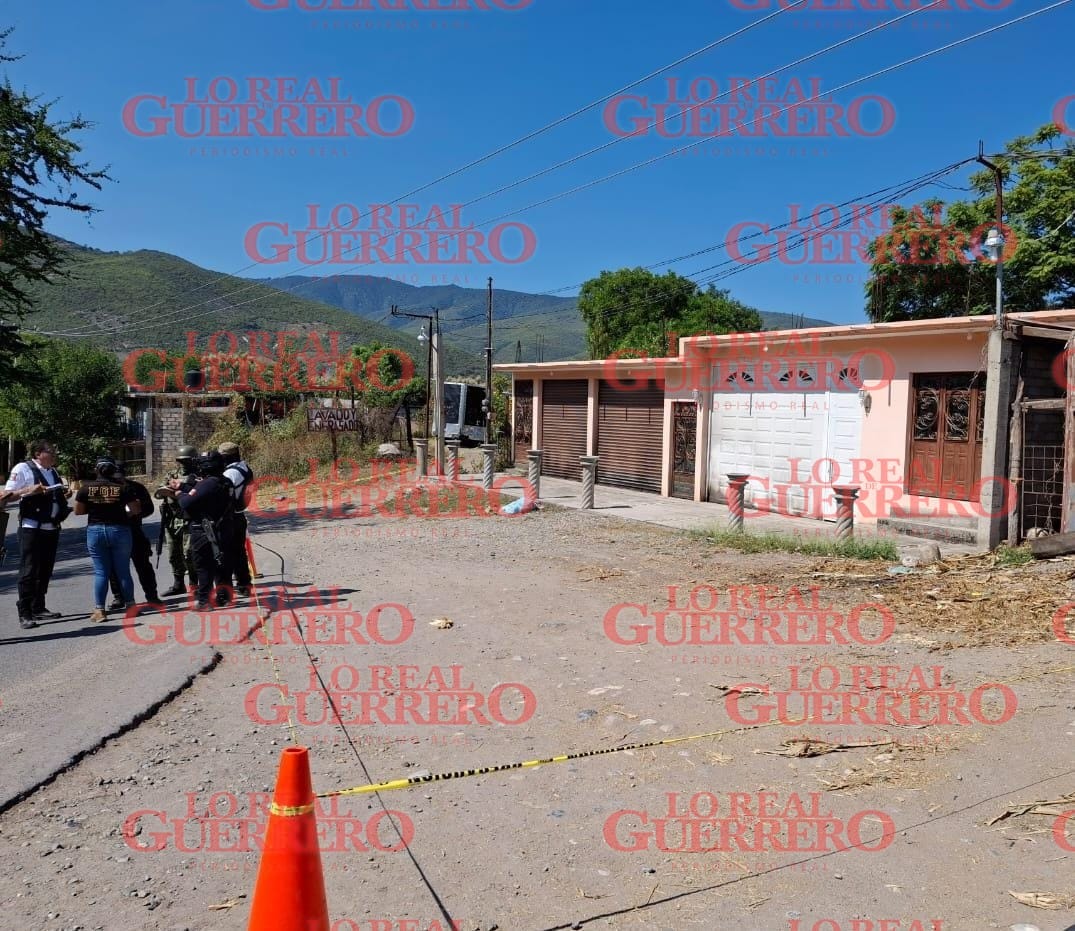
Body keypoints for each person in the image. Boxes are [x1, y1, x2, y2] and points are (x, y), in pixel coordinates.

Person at [4, 440, 74, 629]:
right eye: (51, 451)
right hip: (31, 527)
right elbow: (5, 496)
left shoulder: (52, 471)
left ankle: (38, 606)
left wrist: (62, 497)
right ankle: (24, 612)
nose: (55, 455)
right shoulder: (23, 468)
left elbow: (54, 495)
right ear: (38, 453)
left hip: (51, 527)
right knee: (29, 570)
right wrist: (28, 490)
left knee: (45, 568)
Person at [159, 451, 233, 611]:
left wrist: (179, 494)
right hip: (223, 528)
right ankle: (224, 597)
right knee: (222, 564)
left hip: (204, 530)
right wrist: (183, 486)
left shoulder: (206, 483)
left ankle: (204, 601)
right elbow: (202, 493)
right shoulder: (225, 482)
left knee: (204, 566)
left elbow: (186, 502)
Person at [73, 458, 141, 623]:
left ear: (96, 470)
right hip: (119, 530)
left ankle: (99, 611)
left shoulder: (85, 488)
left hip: (95, 531)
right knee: (123, 571)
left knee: (101, 572)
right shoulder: (123, 488)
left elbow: (78, 511)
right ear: (113, 471)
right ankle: (131, 607)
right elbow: (136, 510)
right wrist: (124, 514)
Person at [107, 463, 160, 608]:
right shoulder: (106, 489)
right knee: (114, 568)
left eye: (120, 476)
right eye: (114, 476)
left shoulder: (136, 487)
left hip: (134, 531)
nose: (118, 479)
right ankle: (119, 597)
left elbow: (149, 508)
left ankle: (152, 596)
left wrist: (135, 514)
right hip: (114, 533)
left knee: (143, 565)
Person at [155, 446, 198, 597]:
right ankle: (178, 584)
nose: (183, 464)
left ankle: (194, 584)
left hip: (189, 519)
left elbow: (196, 495)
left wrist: (176, 493)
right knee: (174, 554)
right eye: (180, 461)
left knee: (189, 554)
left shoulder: (197, 476)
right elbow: (159, 493)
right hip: (172, 520)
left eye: (186, 461)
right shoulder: (172, 475)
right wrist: (167, 491)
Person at [219, 441, 254, 597]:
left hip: (230, 516)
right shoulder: (245, 468)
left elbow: (223, 493)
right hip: (239, 514)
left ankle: (232, 588)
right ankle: (244, 584)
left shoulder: (231, 473)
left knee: (228, 553)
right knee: (239, 552)